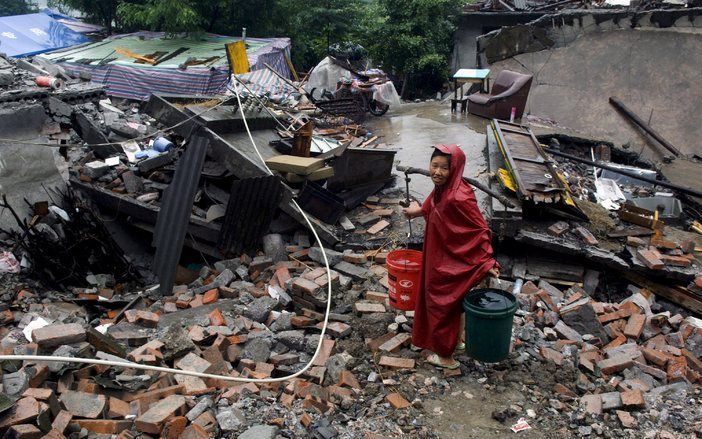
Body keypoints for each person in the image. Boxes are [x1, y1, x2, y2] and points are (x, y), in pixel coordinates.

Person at [402, 144, 500, 369]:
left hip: (450, 260)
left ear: (454, 168)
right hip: (439, 252)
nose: (437, 172)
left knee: (441, 302)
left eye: (444, 168)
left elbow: (480, 229)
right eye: (434, 166)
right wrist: (418, 211)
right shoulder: (444, 188)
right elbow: (433, 203)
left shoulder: (459, 197)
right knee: (454, 302)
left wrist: (487, 261)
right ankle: (456, 342)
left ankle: (446, 357)